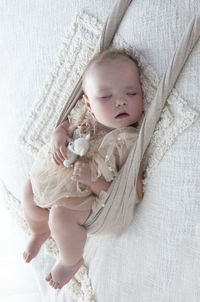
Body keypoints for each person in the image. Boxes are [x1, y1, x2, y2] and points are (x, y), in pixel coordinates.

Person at [22, 49, 144, 290]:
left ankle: (70, 259)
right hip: (61, 179)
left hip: (91, 198)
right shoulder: (84, 114)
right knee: (29, 192)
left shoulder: (127, 142)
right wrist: (58, 135)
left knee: (60, 215)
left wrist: (93, 182)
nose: (120, 101)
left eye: (131, 93)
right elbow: (64, 125)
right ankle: (39, 229)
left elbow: (134, 195)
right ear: (89, 103)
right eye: (106, 97)